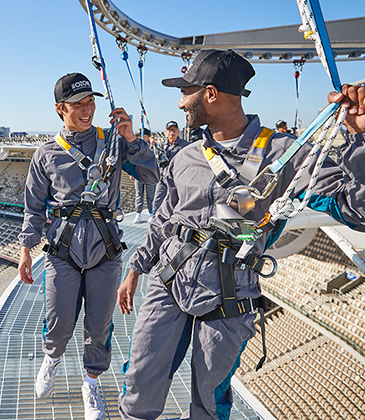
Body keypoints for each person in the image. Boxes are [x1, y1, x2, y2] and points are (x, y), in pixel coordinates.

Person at [116, 49, 365, 420]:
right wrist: (136, 269)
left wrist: (361, 140)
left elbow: (356, 209)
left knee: (207, 402)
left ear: (211, 94)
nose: (181, 102)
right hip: (168, 283)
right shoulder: (185, 156)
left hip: (229, 297)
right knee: (140, 384)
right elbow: (164, 218)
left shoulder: (287, 155)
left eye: (187, 91)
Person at [18, 72, 159, 420]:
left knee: (99, 325)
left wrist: (132, 139)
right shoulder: (47, 153)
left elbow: (151, 175)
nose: (87, 109)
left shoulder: (112, 142)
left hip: (104, 251)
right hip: (63, 252)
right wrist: (25, 248)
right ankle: (51, 360)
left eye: (90, 101)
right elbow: (34, 205)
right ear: (59, 109)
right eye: (78, 104)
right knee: (59, 321)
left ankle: (90, 384)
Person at [152, 121, 189, 210]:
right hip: (163, 177)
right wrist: (152, 145)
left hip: (177, 178)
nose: (172, 132)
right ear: (166, 132)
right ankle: (155, 219)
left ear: (178, 131)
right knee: (157, 201)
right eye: (169, 130)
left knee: (174, 201)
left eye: (174, 130)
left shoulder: (185, 145)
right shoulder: (161, 144)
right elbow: (152, 155)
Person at [133, 127, 157, 223]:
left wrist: (152, 145)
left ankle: (151, 213)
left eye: (144, 136)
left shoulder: (153, 146)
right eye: (139, 136)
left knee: (150, 194)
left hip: (149, 173)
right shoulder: (137, 146)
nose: (141, 137)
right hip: (138, 172)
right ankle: (138, 213)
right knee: (139, 193)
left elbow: (156, 157)